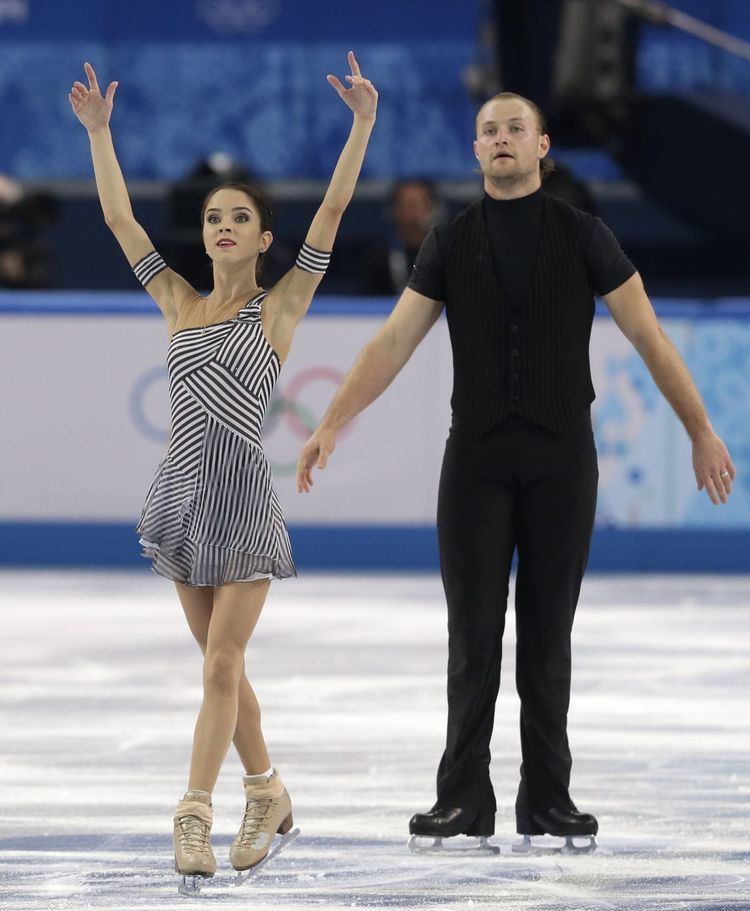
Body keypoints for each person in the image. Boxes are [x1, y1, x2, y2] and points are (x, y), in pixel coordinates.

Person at [297, 91, 735, 851]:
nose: (501, 139)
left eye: (515, 129)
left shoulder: (586, 235)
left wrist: (700, 429)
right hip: (476, 460)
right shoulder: (448, 239)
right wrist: (332, 421)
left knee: (547, 634)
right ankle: (462, 796)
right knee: (472, 633)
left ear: (542, 146)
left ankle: (549, 797)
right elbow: (394, 341)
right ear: (476, 151)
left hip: (564, 458)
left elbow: (649, 335)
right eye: (489, 131)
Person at [69, 54, 377, 891]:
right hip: (181, 499)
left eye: (241, 217)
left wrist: (360, 126)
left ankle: (193, 812)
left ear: (264, 236)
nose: (225, 228)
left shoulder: (278, 305)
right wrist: (101, 134)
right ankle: (268, 790)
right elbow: (121, 220)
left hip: (242, 503)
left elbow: (337, 209)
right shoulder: (177, 300)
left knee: (217, 665)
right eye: (214, 218)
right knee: (224, 666)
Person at [359, 179, 442, 295]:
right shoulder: (378, 258)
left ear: (431, 209)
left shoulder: (443, 254)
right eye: (403, 206)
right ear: (393, 210)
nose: (408, 214)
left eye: (414, 206)